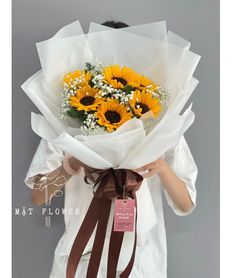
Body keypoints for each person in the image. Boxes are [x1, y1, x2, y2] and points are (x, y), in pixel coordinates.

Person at [24, 21, 197, 278]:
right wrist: (70, 165)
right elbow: (39, 196)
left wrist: (159, 165)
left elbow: (185, 204)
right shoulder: (66, 127)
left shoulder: (161, 126)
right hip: (79, 258)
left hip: (139, 262)